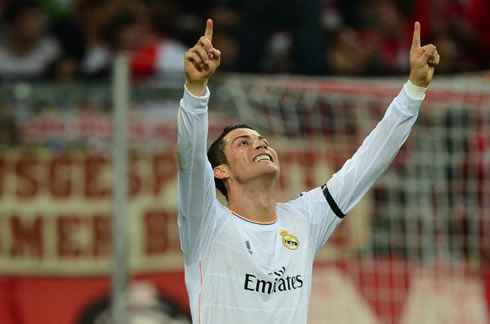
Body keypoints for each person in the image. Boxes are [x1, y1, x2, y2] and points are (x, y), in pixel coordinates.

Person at [177, 19, 439, 324]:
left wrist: (413, 91)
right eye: (243, 143)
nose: (260, 146)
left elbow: (367, 164)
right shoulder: (205, 223)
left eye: (262, 141)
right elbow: (191, 160)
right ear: (220, 171)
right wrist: (195, 92)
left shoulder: (303, 219)